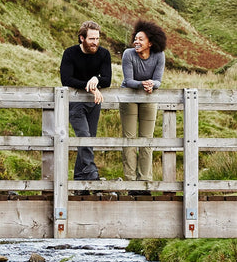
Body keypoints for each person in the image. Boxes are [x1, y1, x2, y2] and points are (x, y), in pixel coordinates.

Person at [59, 20, 112, 183]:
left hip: (94, 102)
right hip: (75, 102)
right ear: (82, 38)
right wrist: (90, 86)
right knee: (84, 135)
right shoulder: (70, 53)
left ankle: (79, 177)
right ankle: (90, 170)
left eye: (97, 39)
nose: (95, 42)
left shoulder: (104, 54)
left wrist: (96, 79)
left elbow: (107, 79)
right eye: (91, 39)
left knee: (89, 139)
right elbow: (66, 79)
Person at [119, 20, 167, 194]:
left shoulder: (159, 55)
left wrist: (152, 84)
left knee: (147, 140)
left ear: (150, 43)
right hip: (129, 96)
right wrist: (144, 84)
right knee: (130, 139)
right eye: (135, 38)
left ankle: (145, 182)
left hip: (149, 97)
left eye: (141, 39)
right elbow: (128, 80)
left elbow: (158, 80)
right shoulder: (128, 54)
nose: (136, 42)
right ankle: (131, 183)